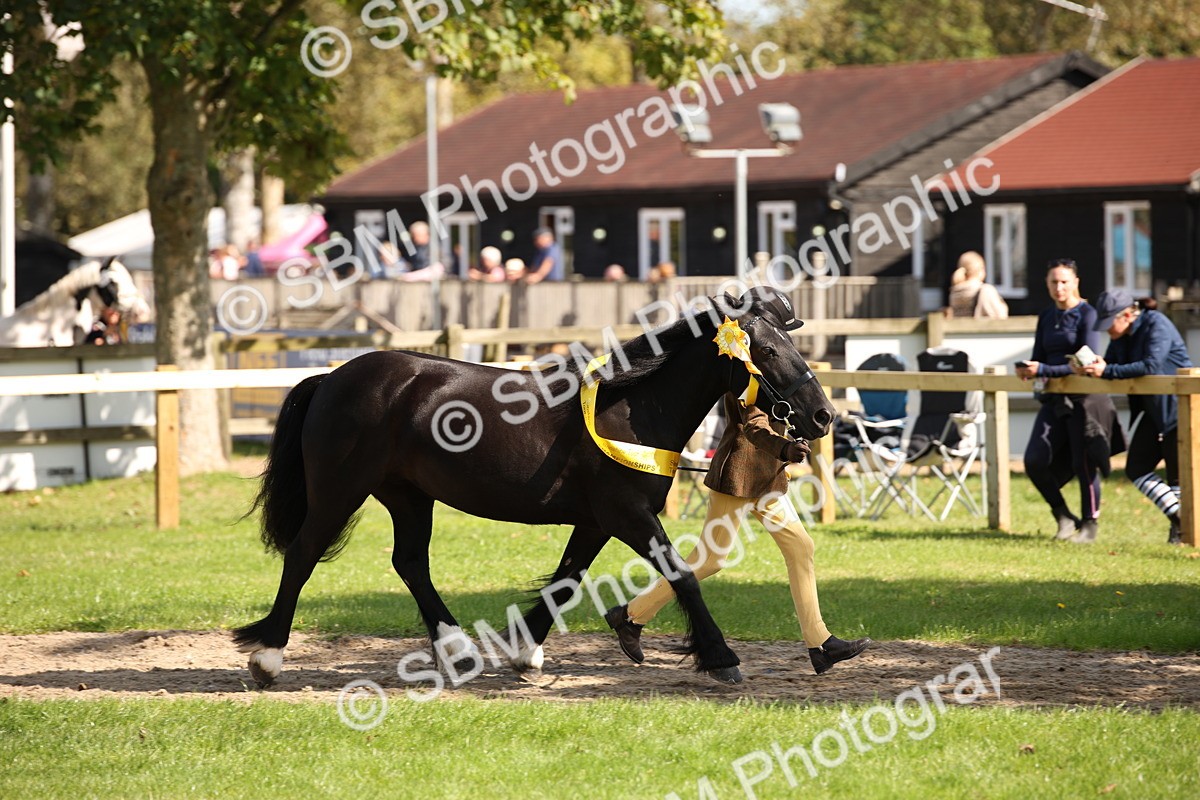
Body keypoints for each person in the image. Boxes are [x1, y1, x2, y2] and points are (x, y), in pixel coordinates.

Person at [605, 311, 871, 674]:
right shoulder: (746, 367)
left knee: (801, 546)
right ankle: (630, 616)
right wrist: (784, 448)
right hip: (740, 477)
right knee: (709, 560)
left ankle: (820, 644)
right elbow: (754, 424)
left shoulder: (776, 364)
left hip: (768, 479)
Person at [1016, 260, 1122, 543]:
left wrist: (1045, 370)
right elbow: (1039, 356)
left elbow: (1086, 361)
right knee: (1035, 460)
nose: (1059, 287)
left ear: (1076, 282)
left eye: (1064, 281)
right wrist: (1029, 370)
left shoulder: (1087, 314)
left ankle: (1089, 525)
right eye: (1053, 282)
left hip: (1084, 400)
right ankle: (1063, 515)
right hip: (1054, 399)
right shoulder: (1046, 316)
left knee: (1083, 463)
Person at [1077, 289, 1193, 544]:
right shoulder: (1122, 336)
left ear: (1128, 315)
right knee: (1137, 469)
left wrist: (1107, 370)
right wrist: (1093, 366)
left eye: (1110, 323)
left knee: (1177, 477)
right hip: (1152, 412)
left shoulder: (1157, 324)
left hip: (1179, 409)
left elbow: (1150, 365)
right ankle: (1180, 520)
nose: (1107, 330)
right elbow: (1112, 364)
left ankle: (1182, 534)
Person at [948, 251, 1008, 318]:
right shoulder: (986, 290)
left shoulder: (954, 292)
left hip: (959, 328)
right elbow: (1000, 315)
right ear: (980, 269)